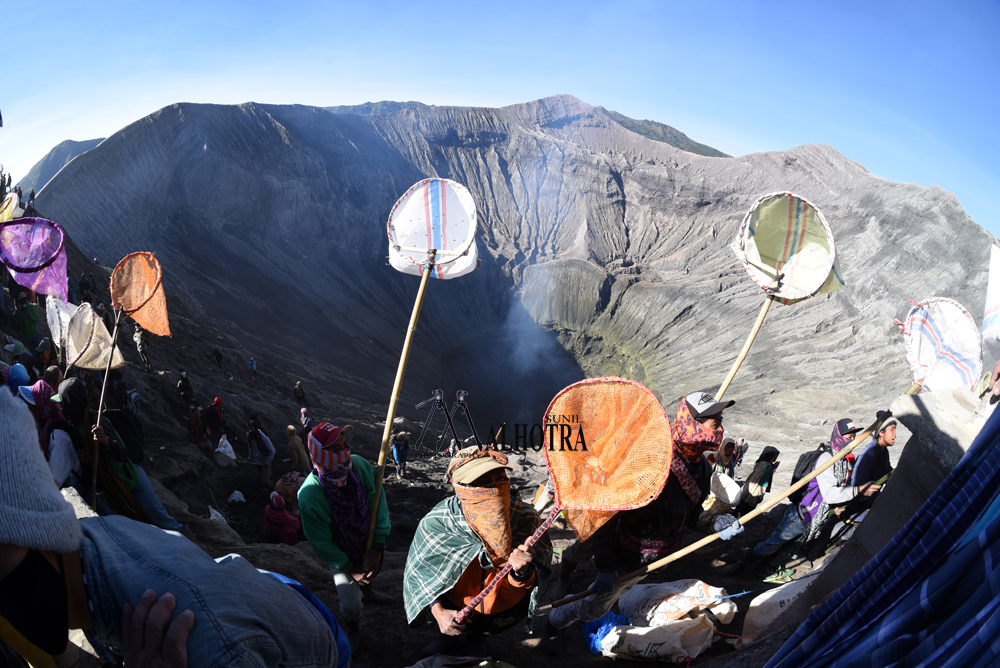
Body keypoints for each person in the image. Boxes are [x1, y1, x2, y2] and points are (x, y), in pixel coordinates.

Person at [0, 388, 351, 668]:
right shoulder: (96, 548)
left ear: (34, 525)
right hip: (269, 594)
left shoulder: (194, 645)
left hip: (316, 639)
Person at [543, 391, 734, 653]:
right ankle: (556, 621)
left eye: (720, 420)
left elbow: (691, 514)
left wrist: (714, 522)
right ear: (692, 423)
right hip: (626, 556)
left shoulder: (701, 467)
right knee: (594, 606)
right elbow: (605, 515)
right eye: (715, 423)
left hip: (657, 557)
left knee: (613, 596)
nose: (721, 430)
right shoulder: (649, 463)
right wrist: (607, 567)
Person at [404, 446, 552, 658]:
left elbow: (535, 575)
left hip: (504, 604)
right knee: (452, 627)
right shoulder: (438, 523)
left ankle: (477, 638)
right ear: (458, 486)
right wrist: (438, 611)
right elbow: (423, 573)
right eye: (481, 483)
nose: (493, 488)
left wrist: (522, 571)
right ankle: (448, 638)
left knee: (487, 629)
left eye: (499, 477)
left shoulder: (526, 520)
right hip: (454, 601)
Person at [724, 419, 881, 575]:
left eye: (854, 437)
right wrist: (859, 490)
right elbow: (830, 493)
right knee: (774, 543)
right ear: (838, 436)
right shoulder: (827, 459)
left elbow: (832, 491)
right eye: (849, 436)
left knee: (787, 545)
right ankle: (742, 563)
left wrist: (837, 507)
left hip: (816, 516)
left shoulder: (842, 461)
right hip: (802, 513)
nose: (852, 441)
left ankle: (761, 566)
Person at [298, 422, 393, 649]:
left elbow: (378, 502)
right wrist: (348, 567)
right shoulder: (311, 495)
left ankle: (367, 590)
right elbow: (320, 540)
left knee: (371, 569)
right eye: (334, 449)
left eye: (344, 444)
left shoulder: (358, 466)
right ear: (318, 455)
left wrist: (378, 544)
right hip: (340, 551)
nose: (343, 452)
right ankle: (353, 628)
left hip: (365, 538)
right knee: (351, 605)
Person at [51, 378, 188, 535]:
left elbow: (122, 454)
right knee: (145, 526)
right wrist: (86, 457)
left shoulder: (97, 422)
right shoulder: (80, 427)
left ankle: (196, 552)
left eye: (63, 403)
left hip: (131, 480)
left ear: (71, 403)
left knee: (163, 520)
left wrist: (106, 441)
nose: (61, 408)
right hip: (116, 488)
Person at [850, 412, 896, 487]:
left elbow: (887, 473)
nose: (895, 434)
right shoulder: (867, 456)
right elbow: (858, 488)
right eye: (892, 429)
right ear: (881, 432)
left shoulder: (884, 452)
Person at [735, 446, 780, 517]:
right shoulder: (767, 468)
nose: (776, 458)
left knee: (741, 505)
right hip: (756, 491)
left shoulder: (761, 463)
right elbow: (764, 483)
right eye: (776, 456)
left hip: (748, 488)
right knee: (747, 510)